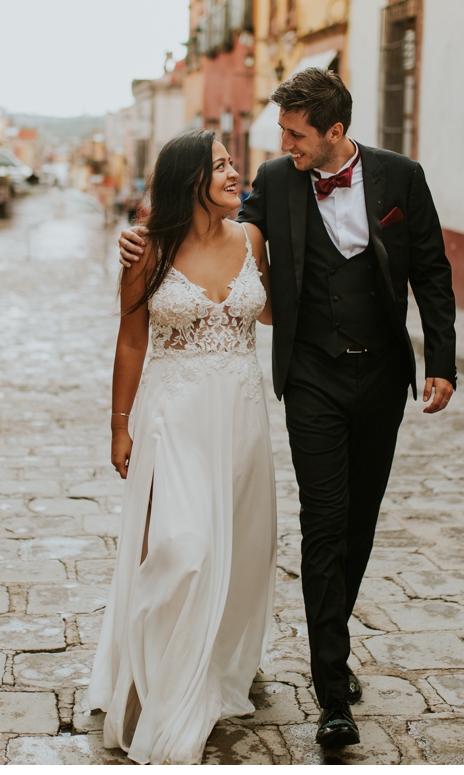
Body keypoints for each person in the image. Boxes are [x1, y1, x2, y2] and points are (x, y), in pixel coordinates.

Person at [119, 68, 456, 749]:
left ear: (335, 132)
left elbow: (432, 269)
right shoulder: (274, 182)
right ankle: (332, 687)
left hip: (384, 376)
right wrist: (142, 238)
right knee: (324, 524)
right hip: (310, 381)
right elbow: (210, 238)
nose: (282, 143)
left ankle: (333, 636)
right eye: (282, 131)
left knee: (358, 523)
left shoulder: (402, 178)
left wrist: (442, 361)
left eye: (296, 132)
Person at [89, 130, 277, 765]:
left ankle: (217, 664)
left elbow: (279, 311)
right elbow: (131, 342)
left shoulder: (252, 240)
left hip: (242, 417)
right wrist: (120, 425)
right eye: (220, 164)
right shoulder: (148, 251)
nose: (234, 172)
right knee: (182, 549)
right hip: (177, 416)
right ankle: (160, 679)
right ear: (188, 181)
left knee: (244, 553)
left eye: (231, 162)